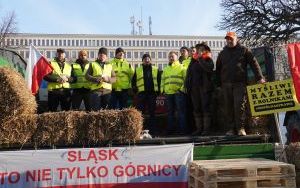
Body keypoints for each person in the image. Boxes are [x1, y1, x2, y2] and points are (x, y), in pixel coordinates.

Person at [216, 31, 265, 136]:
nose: (229, 41)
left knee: (239, 106)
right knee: (228, 107)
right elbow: (218, 69)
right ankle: (231, 129)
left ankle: (241, 128)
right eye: (227, 39)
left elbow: (254, 63)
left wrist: (260, 77)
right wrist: (218, 84)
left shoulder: (244, 50)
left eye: (231, 38)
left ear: (236, 39)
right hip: (226, 84)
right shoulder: (222, 53)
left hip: (239, 83)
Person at [185, 42, 214, 135]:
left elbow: (208, 68)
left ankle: (206, 130)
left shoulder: (208, 59)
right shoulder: (193, 61)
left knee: (205, 108)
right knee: (196, 108)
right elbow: (189, 74)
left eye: (201, 50)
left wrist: (201, 58)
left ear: (205, 50)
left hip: (204, 88)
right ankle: (199, 129)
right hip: (194, 89)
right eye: (198, 50)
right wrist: (187, 85)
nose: (199, 51)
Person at [132, 54, 160, 135]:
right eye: (145, 59)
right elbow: (133, 81)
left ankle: (153, 131)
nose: (147, 60)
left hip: (152, 94)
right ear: (142, 61)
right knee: (140, 113)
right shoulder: (138, 70)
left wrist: (158, 91)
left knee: (152, 113)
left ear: (150, 60)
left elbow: (159, 80)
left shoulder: (156, 69)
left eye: (148, 59)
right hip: (142, 94)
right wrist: (135, 90)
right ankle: (139, 131)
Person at [161, 51, 186, 135]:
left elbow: (186, 80)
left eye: (172, 56)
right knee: (170, 113)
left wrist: (181, 90)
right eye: (170, 57)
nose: (171, 58)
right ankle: (170, 130)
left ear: (177, 57)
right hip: (168, 93)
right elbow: (163, 80)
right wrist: (163, 90)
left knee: (180, 112)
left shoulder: (182, 67)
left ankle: (182, 130)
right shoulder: (166, 69)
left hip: (178, 93)